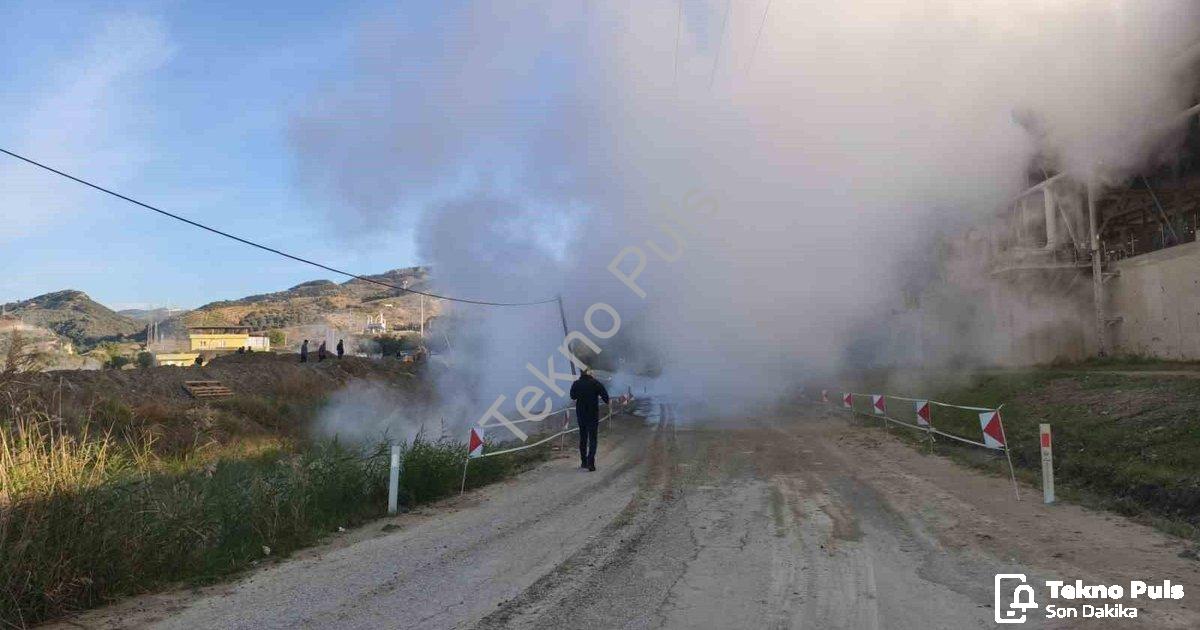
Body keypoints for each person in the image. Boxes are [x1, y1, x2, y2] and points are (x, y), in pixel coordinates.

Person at [569, 368, 609, 472]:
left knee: (583, 438)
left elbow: (572, 396)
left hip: (581, 414)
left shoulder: (576, 383)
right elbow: (606, 397)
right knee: (593, 439)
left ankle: (583, 462)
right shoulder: (595, 383)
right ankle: (591, 462)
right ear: (590, 374)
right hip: (592, 414)